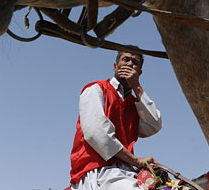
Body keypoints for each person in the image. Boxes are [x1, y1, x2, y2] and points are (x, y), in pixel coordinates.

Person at [69, 49, 162, 190]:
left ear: (140, 73)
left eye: (135, 62)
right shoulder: (96, 89)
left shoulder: (134, 103)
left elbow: (154, 125)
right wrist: (135, 160)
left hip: (127, 171)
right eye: (125, 59)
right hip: (98, 170)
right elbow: (96, 133)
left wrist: (137, 87)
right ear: (115, 66)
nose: (130, 64)